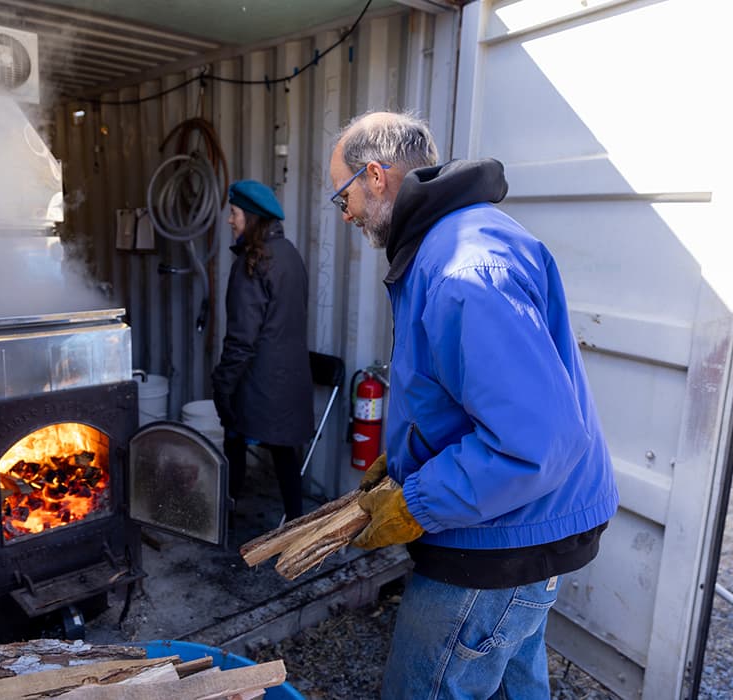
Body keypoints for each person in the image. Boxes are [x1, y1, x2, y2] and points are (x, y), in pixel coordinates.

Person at [329, 112, 619, 699]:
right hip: (522, 532)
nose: (347, 213)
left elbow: (535, 443)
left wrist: (416, 501)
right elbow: (462, 399)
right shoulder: (456, 239)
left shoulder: (464, 268)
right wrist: (405, 461)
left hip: (497, 542)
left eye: (344, 195)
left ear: (376, 176)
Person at [212, 180, 315, 524]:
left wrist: (222, 385)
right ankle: (296, 520)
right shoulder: (290, 255)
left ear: (252, 218)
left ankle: (225, 517)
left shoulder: (251, 264)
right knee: (286, 453)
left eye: (235, 213)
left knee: (233, 438)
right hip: (291, 380)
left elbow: (241, 339)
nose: (230, 220)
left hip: (258, 384)